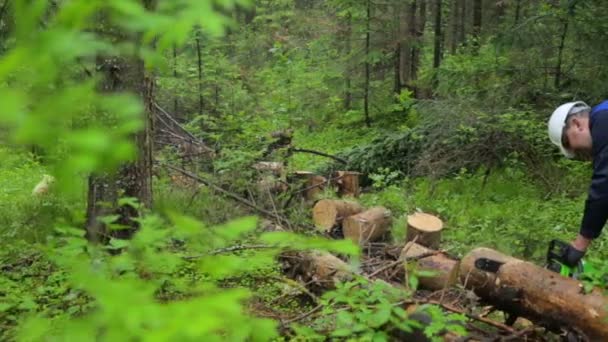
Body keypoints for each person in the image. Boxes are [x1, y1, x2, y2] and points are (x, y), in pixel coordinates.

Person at [548, 99, 608, 267]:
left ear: (576, 124)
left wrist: (581, 243)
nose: (574, 150)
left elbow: (604, 185)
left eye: (568, 143)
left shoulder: (603, 120)